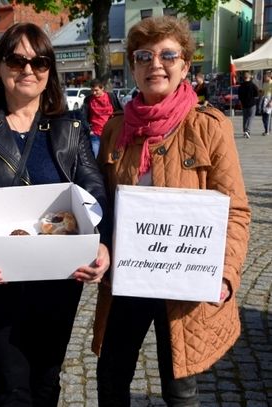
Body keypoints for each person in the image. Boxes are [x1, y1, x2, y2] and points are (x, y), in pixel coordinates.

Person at [0, 22, 111, 406]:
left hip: (59, 274)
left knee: (47, 378)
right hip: (0, 277)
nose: (28, 70)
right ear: (0, 68)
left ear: (49, 70)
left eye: (39, 61)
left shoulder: (70, 126)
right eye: (17, 60)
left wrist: (100, 243)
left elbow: (94, 189)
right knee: (10, 384)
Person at [93, 16, 251, 406]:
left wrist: (227, 274)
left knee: (180, 388)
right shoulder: (116, 130)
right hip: (127, 278)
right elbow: (98, 204)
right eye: (144, 56)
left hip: (185, 280)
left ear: (184, 65)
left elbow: (236, 210)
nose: (155, 65)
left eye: (167, 55)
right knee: (111, 377)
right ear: (133, 65)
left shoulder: (208, 127)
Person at [81, 78, 122, 157]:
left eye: (96, 90)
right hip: (95, 133)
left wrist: (119, 128)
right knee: (95, 155)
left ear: (102, 88)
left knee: (111, 157)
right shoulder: (88, 100)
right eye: (92, 90)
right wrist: (89, 130)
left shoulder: (111, 97)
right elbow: (83, 116)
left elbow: (120, 112)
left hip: (111, 133)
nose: (94, 93)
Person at [238, 71, 259, 138]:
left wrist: (241, 102)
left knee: (245, 118)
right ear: (250, 77)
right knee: (251, 117)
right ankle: (247, 130)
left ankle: (245, 131)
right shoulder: (253, 85)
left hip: (244, 104)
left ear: (244, 78)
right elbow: (257, 94)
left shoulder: (241, 86)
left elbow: (239, 96)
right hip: (252, 104)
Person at [260, 71, 272, 136]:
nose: (264, 78)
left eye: (265, 77)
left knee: (267, 116)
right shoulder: (264, 83)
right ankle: (267, 129)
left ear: (269, 76)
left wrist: (271, 102)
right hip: (264, 100)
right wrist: (260, 93)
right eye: (264, 77)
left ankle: (267, 131)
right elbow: (263, 92)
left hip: (269, 100)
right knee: (263, 117)